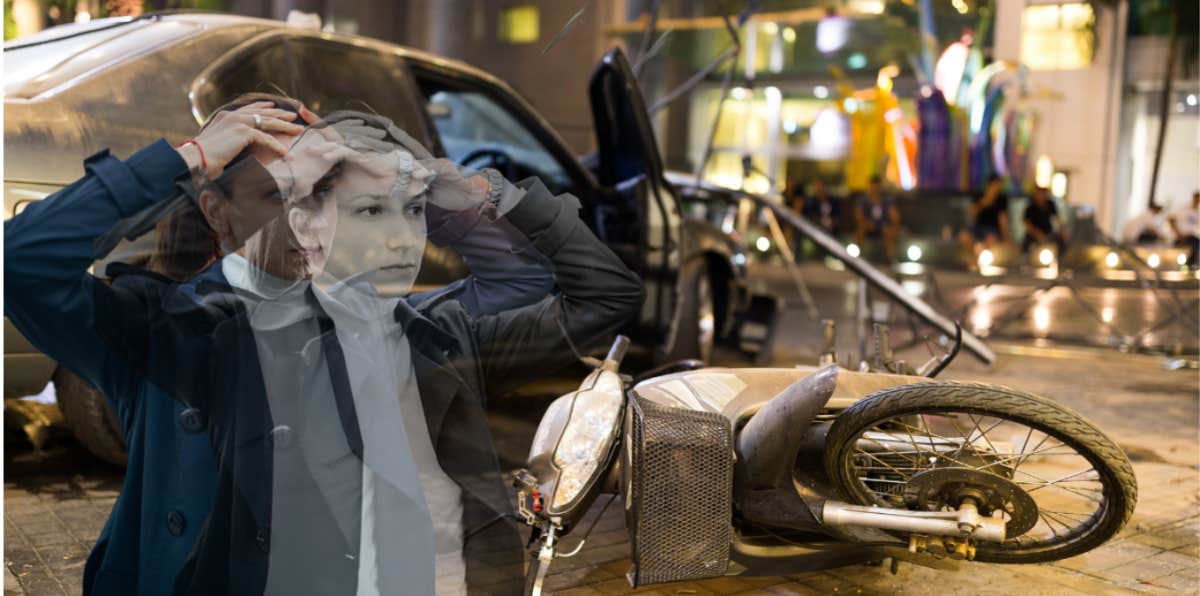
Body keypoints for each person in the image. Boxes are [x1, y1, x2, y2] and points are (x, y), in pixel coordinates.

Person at [8, 104, 641, 595]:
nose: (301, 217)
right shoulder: (164, 329)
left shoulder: (402, 326)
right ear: (216, 211)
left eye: (316, 193)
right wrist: (189, 155)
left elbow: (601, 297)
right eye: (274, 194)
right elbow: (19, 263)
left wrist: (466, 193)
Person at [959, 174, 1010, 264]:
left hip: (992, 229)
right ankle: (973, 260)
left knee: (990, 240)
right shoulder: (979, 195)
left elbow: (1003, 219)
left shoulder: (1001, 199)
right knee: (964, 236)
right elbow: (971, 212)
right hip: (978, 227)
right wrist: (984, 201)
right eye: (996, 184)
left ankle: (983, 259)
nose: (998, 188)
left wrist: (1006, 237)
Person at [853, 175, 900, 261]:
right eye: (873, 186)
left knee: (889, 231)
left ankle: (890, 259)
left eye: (877, 186)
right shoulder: (863, 200)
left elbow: (894, 216)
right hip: (868, 224)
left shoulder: (887, 199)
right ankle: (857, 258)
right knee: (860, 230)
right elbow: (858, 215)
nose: (875, 189)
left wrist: (894, 226)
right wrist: (866, 223)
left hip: (883, 225)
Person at [1021, 186, 1068, 257]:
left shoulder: (1050, 204)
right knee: (1026, 242)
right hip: (1034, 233)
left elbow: (1057, 219)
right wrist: (1037, 233)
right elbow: (1027, 224)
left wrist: (1062, 231)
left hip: (1048, 232)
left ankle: (1061, 259)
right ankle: (1025, 259)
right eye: (1039, 194)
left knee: (1061, 240)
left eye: (1043, 194)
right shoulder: (1030, 207)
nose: (1041, 196)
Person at [1168, 191, 1199, 266]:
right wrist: (1178, 234)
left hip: (1190, 237)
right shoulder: (1183, 209)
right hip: (1179, 236)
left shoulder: (1198, 212)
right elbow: (1171, 219)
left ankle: (1189, 266)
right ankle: (1187, 266)